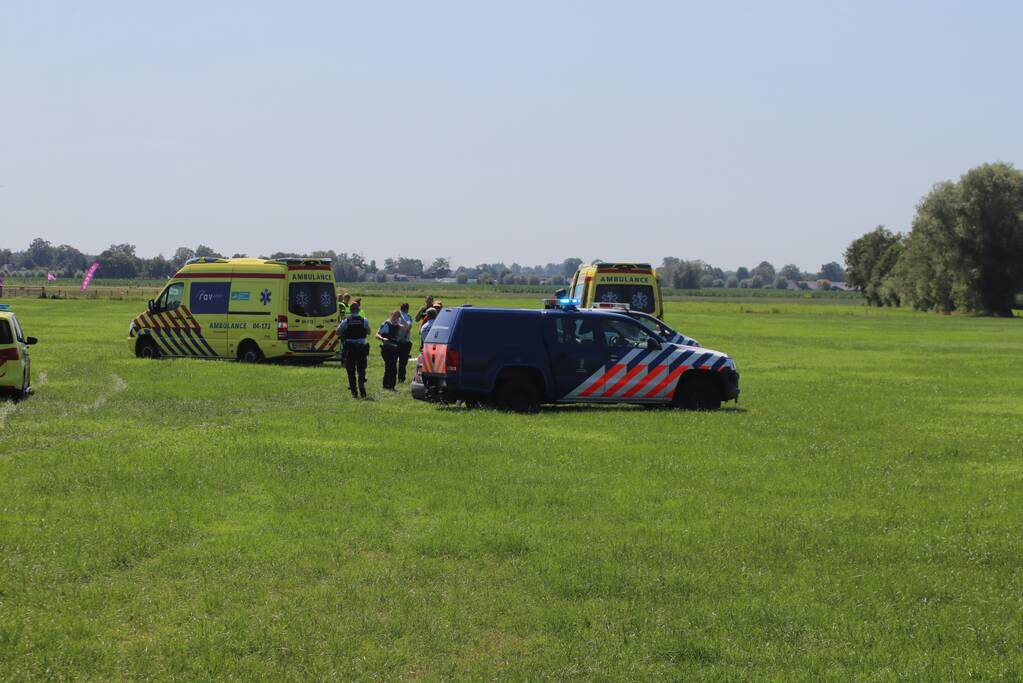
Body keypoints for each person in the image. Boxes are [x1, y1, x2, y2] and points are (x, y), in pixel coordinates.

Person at [337, 302, 369, 398]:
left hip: (350, 349)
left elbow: (337, 332)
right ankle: (361, 385)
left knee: (351, 370)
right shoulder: (364, 320)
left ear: (350, 310)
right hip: (361, 348)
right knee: (361, 369)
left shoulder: (346, 321)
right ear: (358, 310)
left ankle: (354, 391)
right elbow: (369, 331)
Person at [376, 310, 408, 391]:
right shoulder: (386, 324)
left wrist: (401, 317)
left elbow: (406, 327)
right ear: (391, 315)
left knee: (389, 367)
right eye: (394, 316)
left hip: (394, 348)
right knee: (392, 368)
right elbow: (377, 334)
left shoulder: (397, 325)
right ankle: (391, 387)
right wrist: (383, 338)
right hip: (386, 348)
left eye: (397, 316)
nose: (396, 318)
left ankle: (386, 385)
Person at [396, 302, 413, 383]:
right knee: (403, 362)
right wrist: (406, 335)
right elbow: (409, 326)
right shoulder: (408, 316)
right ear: (407, 308)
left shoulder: (396, 316)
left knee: (394, 360)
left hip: (396, 340)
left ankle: (393, 376)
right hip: (405, 341)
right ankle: (401, 378)